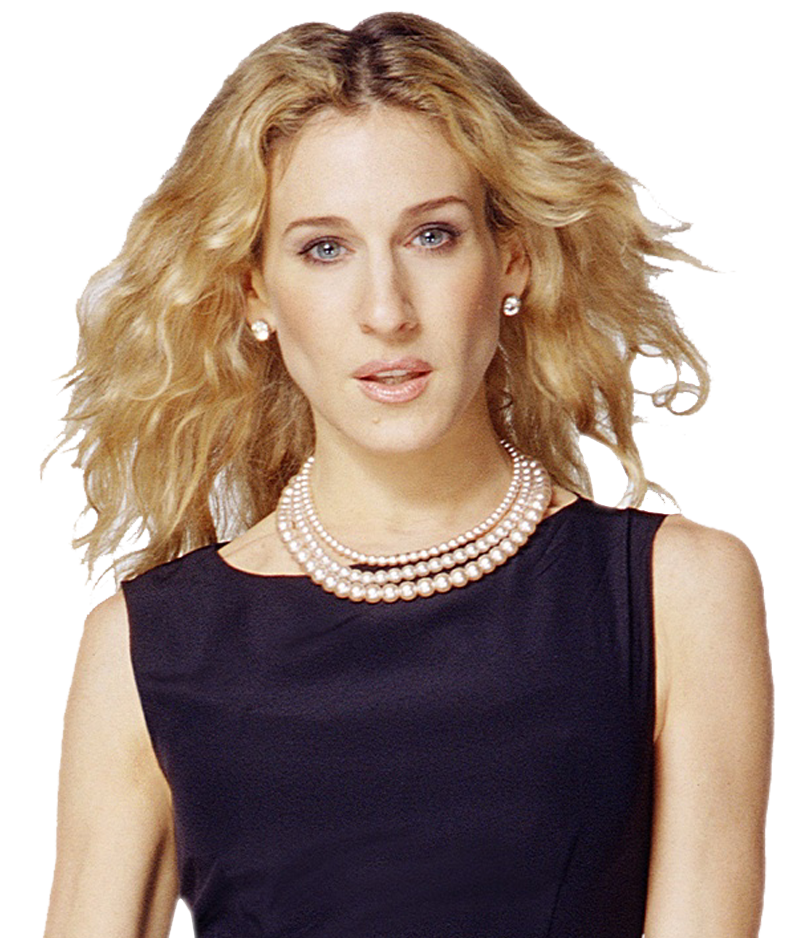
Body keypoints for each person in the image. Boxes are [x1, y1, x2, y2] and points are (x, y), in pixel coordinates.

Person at [45, 13, 772, 938]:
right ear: (254, 290)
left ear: (511, 259)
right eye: (323, 248)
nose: (385, 311)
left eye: (431, 235)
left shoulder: (677, 594)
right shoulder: (145, 645)